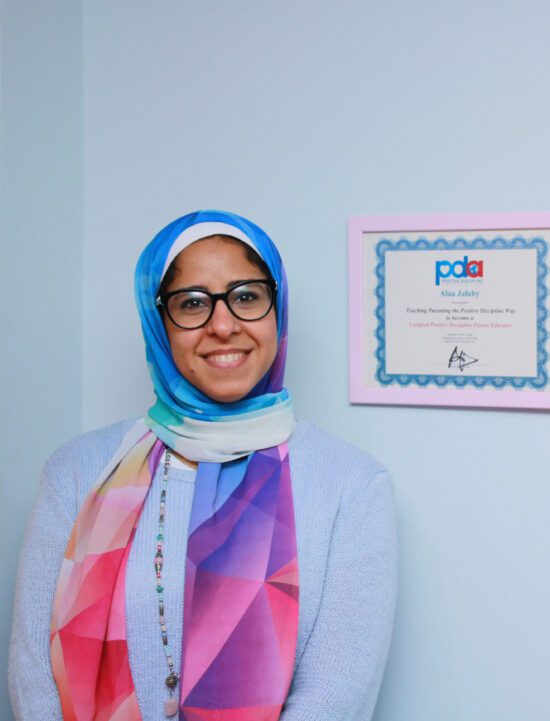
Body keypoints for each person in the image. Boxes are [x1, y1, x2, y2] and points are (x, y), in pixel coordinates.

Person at [8, 210, 397, 721]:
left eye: (247, 296)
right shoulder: (78, 471)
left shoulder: (351, 485)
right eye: (192, 303)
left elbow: (336, 695)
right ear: (157, 322)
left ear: (277, 310)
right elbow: (33, 671)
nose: (223, 324)